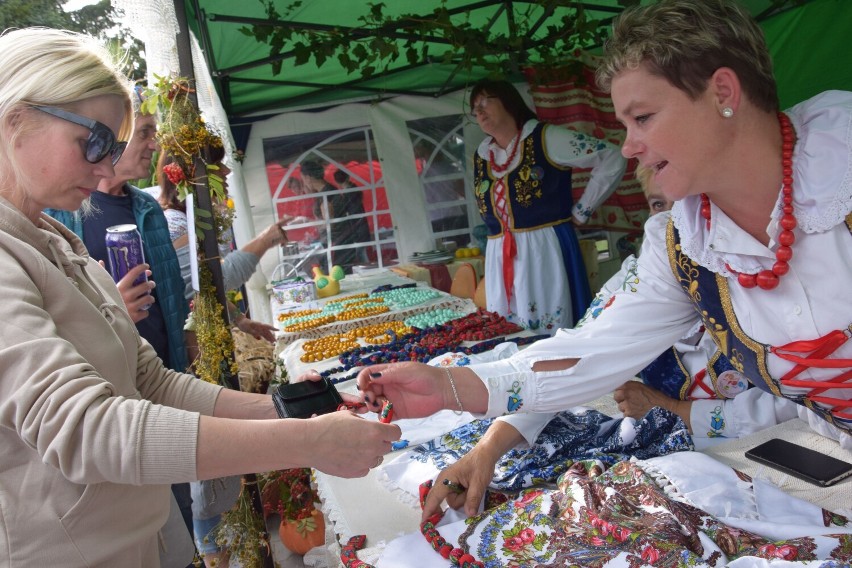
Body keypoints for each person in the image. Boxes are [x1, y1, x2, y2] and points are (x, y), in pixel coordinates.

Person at [357, 0, 852, 522]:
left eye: (643, 118)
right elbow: (594, 351)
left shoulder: (839, 165)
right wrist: (449, 387)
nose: (630, 146)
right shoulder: (682, 243)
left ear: (722, 93)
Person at [0, 27, 400, 566]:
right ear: (15, 118)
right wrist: (307, 445)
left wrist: (288, 412)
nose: (105, 167)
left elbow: (151, 382)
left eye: (114, 148)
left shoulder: (55, 241)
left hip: (141, 538)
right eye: (95, 141)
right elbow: (86, 429)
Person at [469, 79, 627, 333]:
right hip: (500, 253)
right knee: (509, 328)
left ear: (509, 101)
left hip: (544, 248)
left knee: (551, 324)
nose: (479, 112)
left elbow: (612, 157)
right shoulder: (482, 154)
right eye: (475, 109)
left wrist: (582, 211)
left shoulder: (546, 138)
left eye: (485, 102)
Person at [157, 149, 284, 342]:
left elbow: (204, 286)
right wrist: (266, 239)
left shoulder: (192, 220)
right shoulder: (177, 224)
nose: (225, 171)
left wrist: (239, 319)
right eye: (217, 164)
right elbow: (211, 282)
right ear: (192, 175)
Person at [300, 159, 371, 273]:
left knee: (339, 276)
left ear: (308, 177)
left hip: (336, 245)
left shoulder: (327, 194)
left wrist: (309, 222)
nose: (304, 183)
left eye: (303, 179)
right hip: (338, 243)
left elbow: (329, 222)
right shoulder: (326, 191)